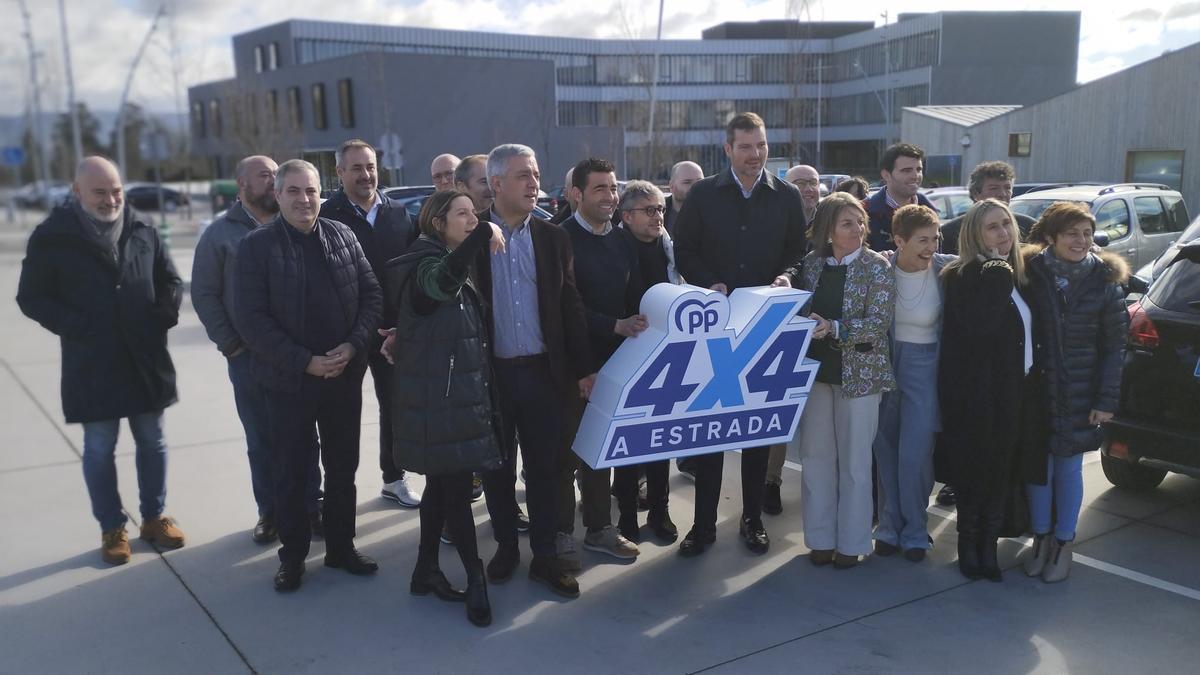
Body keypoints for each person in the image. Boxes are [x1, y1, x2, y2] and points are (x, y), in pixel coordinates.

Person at [17, 156, 185, 565]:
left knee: (153, 441)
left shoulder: (142, 227)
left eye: (116, 191)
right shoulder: (52, 236)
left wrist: (163, 315)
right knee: (99, 447)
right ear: (76, 192)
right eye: (100, 192)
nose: (111, 199)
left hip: (145, 357)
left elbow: (170, 281)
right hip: (92, 361)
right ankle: (113, 528)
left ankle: (154, 517)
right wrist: (75, 326)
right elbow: (31, 297)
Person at [235, 159, 382, 592]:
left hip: (342, 378)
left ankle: (340, 547)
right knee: (292, 473)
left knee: (342, 469)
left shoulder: (342, 235)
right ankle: (293, 557)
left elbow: (372, 296)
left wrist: (354, 345)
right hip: (288, 384)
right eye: (294, 191)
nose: (304, 199)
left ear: (323, 192)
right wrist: (305, 361)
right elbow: (252, 320)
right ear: (277, 195)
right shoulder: (256, 247)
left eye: (312, 191)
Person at [673, 111, 808, 557]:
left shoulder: (785, 195)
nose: (755, 155)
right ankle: (703, 524)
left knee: (754, 430)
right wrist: (708, 283)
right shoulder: (704, 195)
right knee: (710, 431)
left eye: (762, 145)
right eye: (746, 146)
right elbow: (685, 249)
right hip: (715, 328)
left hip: (765, 328)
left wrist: (788, 276)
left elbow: (796, 252)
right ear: (727, 149)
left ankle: (751, 520)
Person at [381, 189, 507, 627]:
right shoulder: (425, 263)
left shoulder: (446, 257)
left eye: (475, 214)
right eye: (463, 214)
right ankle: (475, 579)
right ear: (438, 222)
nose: (473, 220)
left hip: (452, 396)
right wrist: (483, 235)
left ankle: (424, 571)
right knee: (455, 494)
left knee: (441, 486)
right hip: (443, 401)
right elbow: (438, 286)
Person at [475, 144, 594, 599]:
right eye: (523, 175)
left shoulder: (552, 237)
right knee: (497, 467)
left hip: (547, 375)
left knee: (548, 469)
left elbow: (571, 306)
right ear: (497, 184)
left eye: (537, 174)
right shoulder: (473, 237)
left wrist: (583, 369)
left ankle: (545, 556)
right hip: (493, 376)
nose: (534, 183)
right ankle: (507, 546)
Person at [193, 155, 323, 543]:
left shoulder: (297, 226)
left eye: (274, 176)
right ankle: (271, 512)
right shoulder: (220, 235)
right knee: (262, 438)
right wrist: (232, 345)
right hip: (250, 358)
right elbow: (204, 293)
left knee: (305, 435)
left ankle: (311, 506)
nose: (272, 183)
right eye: (264, 176)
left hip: (300, 355)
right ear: (242, 186)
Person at [772, 192, 896, 569]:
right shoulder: (810, 266)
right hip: (815, 376)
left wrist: (834, 327)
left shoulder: (877, 267)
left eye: (860, 221)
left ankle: (853, 542)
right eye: (847, 223)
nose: (858, 228)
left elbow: (878, 324)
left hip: (859, 378)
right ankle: (821, 539)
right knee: (816, 458)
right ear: (828, 230)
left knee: (856, 464)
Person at [1019, 202, 1128, 583]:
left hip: (1082, 392)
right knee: (1037, 469)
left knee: (1067, 468)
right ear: (1050, 237)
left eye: (1086, 233)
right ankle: (1040, 539)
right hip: (1036, 391)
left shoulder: (1105, 281)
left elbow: (1116, 346)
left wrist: (1106, 400)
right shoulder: (1029, 273)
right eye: (1072, 233)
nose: (1081, 241)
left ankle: (1063, 543)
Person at [936, 198, 1035, 582]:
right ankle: (969, 547)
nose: (1003, 234)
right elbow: (980, 327)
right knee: (974, 474)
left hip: (1013, 392)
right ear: (974, 233)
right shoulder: (965, 275)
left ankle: (988, 546)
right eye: (993, 227)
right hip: (974, 397)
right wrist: (997, 271)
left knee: (1000, 472)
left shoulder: (1019, 275)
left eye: (1007, 225)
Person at [320, 139, 422, 508]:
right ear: (340, 172)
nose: (366, 175)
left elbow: (412, 271)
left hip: (391, 332)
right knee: (342, 415)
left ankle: (393, 478)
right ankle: (336, 494)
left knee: (394, 407)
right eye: (357, 168)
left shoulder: (398, 214)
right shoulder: (325, 216)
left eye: (371, 167)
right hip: (345, 334)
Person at [558, 158, 645, 560]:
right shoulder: (558, 239)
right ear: (576, 194)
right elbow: (564, 308)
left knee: (599, 451)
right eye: (600, 189)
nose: (611, 196)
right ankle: (560, 535)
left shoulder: (622, 239)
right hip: (571, 366)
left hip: (614, 366)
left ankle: (599, 528)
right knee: (564, 455)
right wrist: (614, 326)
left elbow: (632, 298)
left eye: (613, 188)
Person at [871, 204, 953, 562]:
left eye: (935, 238)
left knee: (916, 454)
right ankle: (888, 527)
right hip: (886, 364)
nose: (930, 247)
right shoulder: (879, 269)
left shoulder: (947, 269)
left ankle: (917, 531)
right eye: (922, 240)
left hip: (927, 365)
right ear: (899, 240)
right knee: (885, 449)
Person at [614, 180, 680, 542]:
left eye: (660, 209)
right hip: (626, 353)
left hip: (665, 355)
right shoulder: (615, 248)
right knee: (628, 442)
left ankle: (660, 511)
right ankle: (625, 517)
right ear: (626, 216)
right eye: (649, 210)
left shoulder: (669, 249)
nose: (658, 217)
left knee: (661, 441)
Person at [939, 161, 1036, 255]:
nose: (1002, 194)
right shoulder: (949, 232)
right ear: (976, 193)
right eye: (994, 188)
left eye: (1007, 188)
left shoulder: (1028, 226)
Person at [864, 143, 935, 251]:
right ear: (886, 175)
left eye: (919, 169)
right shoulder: (865, 214)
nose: (915, 176)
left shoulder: (931, 211)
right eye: (906, 170)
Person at [664, 160, 703, 236]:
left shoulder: (714, 213)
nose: (694, 186)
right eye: (687, 182)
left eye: (699, 181)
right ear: (671, 186)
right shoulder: (658, 212)